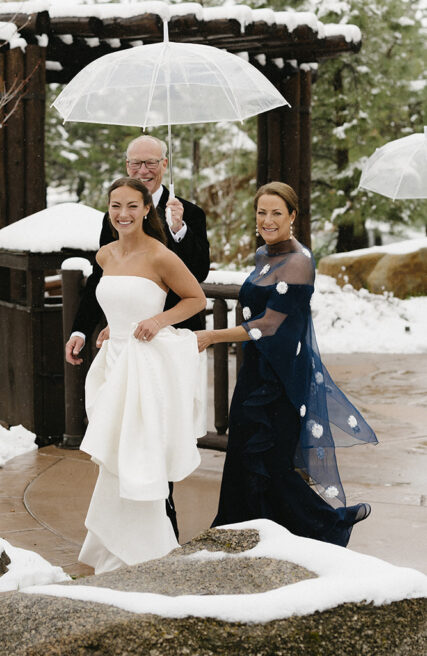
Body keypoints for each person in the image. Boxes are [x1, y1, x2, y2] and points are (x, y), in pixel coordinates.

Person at [195, 182, 377, 547]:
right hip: (257, 369)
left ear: (293, 216)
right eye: (261, 212)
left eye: (277, 213)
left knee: (272, 461)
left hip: (283, 376)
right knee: (248, 455)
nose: (267, 220)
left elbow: (268, 324)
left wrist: (212, 336)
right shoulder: (265, 254)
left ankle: (325, 525)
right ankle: (242, 530)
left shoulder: (298, 261)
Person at [78, 176, 208, 573]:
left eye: (132, 206)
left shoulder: (160, 255)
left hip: (144, 365)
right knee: (115, 458)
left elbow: (195, 299)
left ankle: (148, 551)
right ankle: (113, 548)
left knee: (138, 455)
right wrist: (110, 326)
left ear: (147, 209)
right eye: (116, 206)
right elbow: (118, 301)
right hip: (113, 362)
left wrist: (157, 320)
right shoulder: (105, 255)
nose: (123, 214)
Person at [65, 134, 210, 366]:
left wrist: (179, 230)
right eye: (136, 163)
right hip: (125, 342)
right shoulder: (114, 219)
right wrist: (80, 330)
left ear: (164, 164)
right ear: (127, 165)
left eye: (151, 162)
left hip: (174, 338)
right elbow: (101, 277)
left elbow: (199, 273)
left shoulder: (190, 214)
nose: (143, 170)